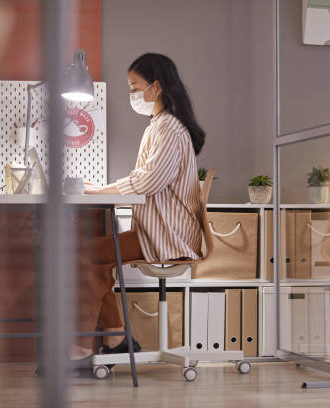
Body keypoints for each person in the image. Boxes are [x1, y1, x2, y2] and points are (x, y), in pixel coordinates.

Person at [74, 53, 206, 368]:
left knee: (83, 256)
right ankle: (116, 341)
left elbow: (147, 182)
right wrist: (99, 189)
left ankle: (88, 348)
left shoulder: (169, 128)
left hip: (168, 236)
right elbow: (145, 181)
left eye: (135, 86)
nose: (132, 94)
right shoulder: (160, 125)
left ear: (156, 87)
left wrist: (98, 190)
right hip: (157, 231)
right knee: (88, 258)